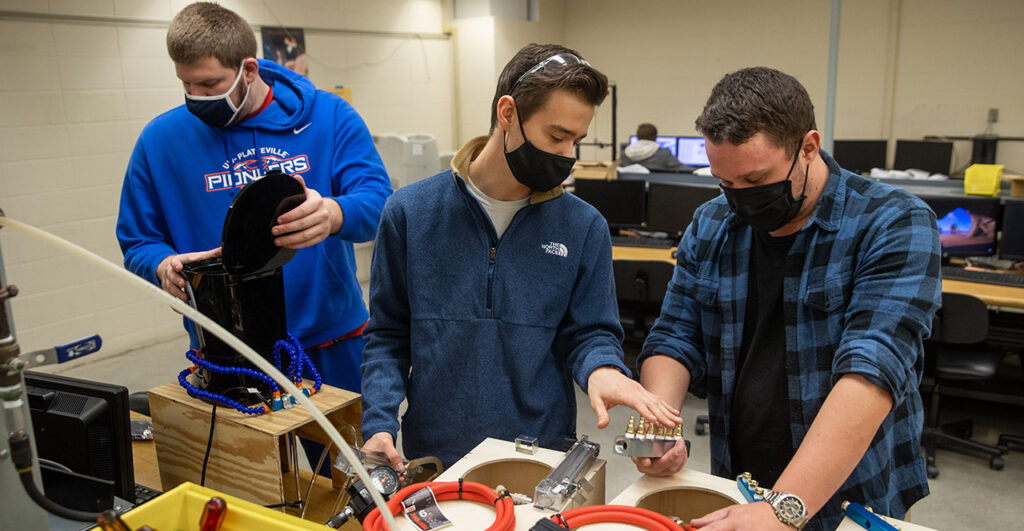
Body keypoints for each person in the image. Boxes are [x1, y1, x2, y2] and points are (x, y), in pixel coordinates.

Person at [635, 67, 940, 531]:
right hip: (741, 481)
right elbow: (675, 333)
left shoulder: (893, 221)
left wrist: (786, 507)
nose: (740, 197)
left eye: (756, 180)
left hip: (849, 496)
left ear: (808, 146)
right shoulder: (713, 221)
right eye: (725, 181)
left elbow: (872, 370)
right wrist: (658, 422)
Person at [360, 44, 681, 469]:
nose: (568, 155)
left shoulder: (583, 227)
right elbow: (388, 334)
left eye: (577, 140)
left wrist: (602, 368)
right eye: (557, 136)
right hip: (436, 455)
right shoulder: (410, 213)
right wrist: (379, 422)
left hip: (540, 456)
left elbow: (591, 333)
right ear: (507, 113)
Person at [116, 2, 392, 397]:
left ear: (248, 69)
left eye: (210, 85)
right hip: (225, 348)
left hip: (330, 338)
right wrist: (161, 265)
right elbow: (138, 240)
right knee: (245, 461)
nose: (196, 97)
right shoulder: (160, 141)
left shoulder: (330, 117)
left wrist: (334, 213)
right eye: (186, 84)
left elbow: (381, 203)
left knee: (343, 459)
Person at [619, 123, 689, 172]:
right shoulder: (663, 154)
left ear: (637, 136)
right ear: (655, 136)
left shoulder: (625, 153)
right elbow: (681, 168)